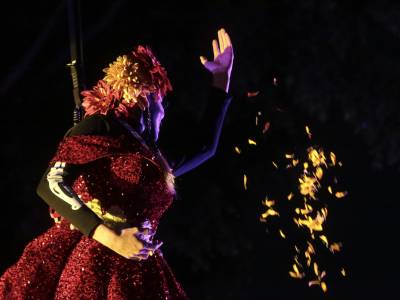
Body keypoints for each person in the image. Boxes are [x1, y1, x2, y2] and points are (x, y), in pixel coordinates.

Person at [0, 28, 234, 299]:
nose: (164, 112)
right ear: (143, 96)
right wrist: (113, 238)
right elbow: (50, 184)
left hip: (141, 273)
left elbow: (205, 147)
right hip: (95, 265)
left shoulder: (150, 157)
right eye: (161, 102)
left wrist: (221, 79)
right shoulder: (101, 126)